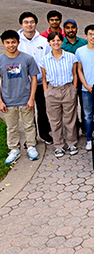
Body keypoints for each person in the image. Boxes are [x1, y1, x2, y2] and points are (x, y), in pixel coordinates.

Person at [0, 30, 40, 164]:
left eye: (13, 42)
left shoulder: (27, 58)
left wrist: (31, 98)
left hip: (25, 98)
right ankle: (14, 149)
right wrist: (0, 101)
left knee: (29, 125)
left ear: (18, 42)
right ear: (3, 43)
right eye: (7, 42)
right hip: (8, 100)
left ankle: (31, 146)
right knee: (11, 127)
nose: (11, 45)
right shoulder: (0, 60)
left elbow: (34, 79)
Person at [40, 32, 79, 157]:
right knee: (55, 120)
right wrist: (46, 92)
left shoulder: (70, 57)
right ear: (49, 43)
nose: (55, 43)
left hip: (68, 88)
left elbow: (75, 74)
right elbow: (44, 77)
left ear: (62, 42)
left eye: (58, 40)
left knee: (70, 118)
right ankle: (58, 145)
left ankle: (71, 143)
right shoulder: (44, 59)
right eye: (53, 41)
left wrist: (74, 88)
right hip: (52, 90)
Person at [18, 12, 52, 144]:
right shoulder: (18, 41)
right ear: (21, 24)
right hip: (24, 84)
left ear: (36, 24)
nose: (29, 25)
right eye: (26, 22)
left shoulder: (43, 41)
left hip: (40, 82)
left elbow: (48, 61)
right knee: (28, 112)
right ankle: (31, 137)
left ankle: (44, 133)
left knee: (43, 110)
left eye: (32, 22)